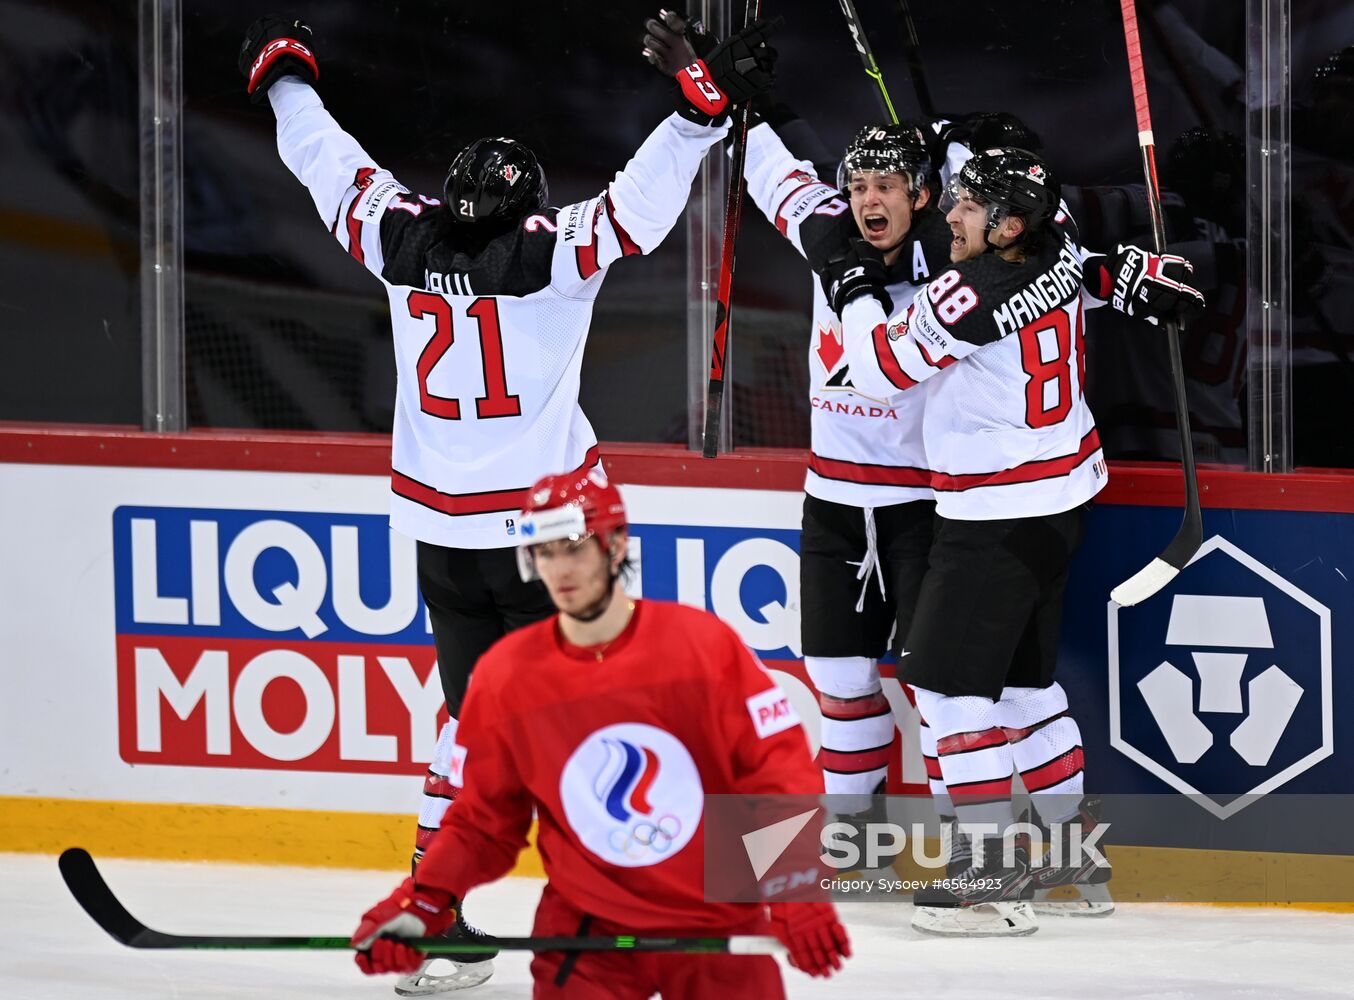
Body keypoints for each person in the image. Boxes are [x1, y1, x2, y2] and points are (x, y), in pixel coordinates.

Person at [237, 13, 778, 992]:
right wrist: (698, 113)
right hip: (544, 542)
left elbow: (326, 159)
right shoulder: (548, 256)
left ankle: (430, 914)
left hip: (442, 542)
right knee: (605, 722)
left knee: (473, 725)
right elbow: (635, 209)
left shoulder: (395, 235)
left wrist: (284, 78)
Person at [823, 144, 1204, 934]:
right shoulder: (1057, 246)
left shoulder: (965, 294)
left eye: (968, 206)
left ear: (1008, 227)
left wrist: (855, 289)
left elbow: (878, 371)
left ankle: (986, 876)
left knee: (945, 693)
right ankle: (1075, 862)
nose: (951, 215)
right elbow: (1088, 272)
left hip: (993, 521)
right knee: (1024, 691)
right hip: (1059, 506)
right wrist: (1131, 277)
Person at [349, 469, 851, 998]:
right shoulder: (506, 678)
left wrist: (798, 888)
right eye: (544, 553)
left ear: (616, 546)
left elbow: (777, 778)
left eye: (573, 548)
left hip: (713, 922)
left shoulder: (702, 648)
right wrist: (424, 900)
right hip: (587, 935)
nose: (559, 569)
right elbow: (482, 823)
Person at [642, 9, 951, 819]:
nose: (868, 201)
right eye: (858, 187)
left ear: (923, 196)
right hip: (836, 503)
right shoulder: (826, 229)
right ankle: (852, 845)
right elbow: (763, 155)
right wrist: (704, 74)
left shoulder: (958, 258)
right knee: (839, 683)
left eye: (887, 188)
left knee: (940, 695)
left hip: (928, 505)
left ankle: (970, 851)